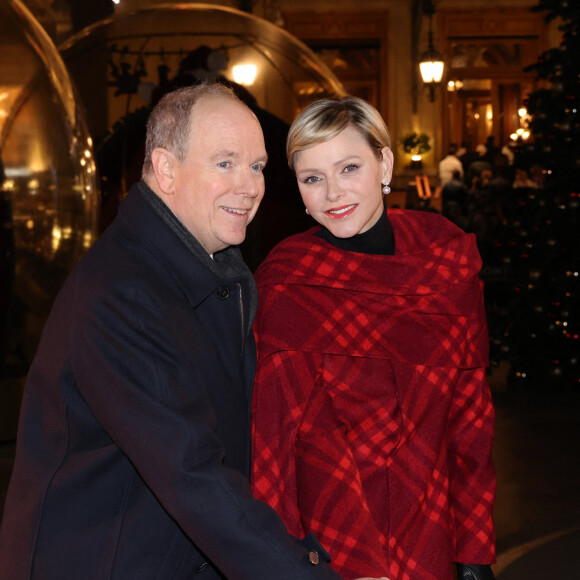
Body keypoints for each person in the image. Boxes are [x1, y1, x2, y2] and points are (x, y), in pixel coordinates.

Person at [0, 83, 382, 580]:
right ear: (165, 169)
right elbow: (193, 474)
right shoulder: (126, 292)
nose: (249, 186)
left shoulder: (211, 267)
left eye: (257, 166)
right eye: (224, 163)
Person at [251, 96, 497, 580]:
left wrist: (475, 550)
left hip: (431, 527)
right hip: (329, 542)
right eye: (313, 178)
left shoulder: (446, 261)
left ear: (384, 161)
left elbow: (470, 420)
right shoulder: (287, 281)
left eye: (349, 168)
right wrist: (361, 563)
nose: (333, 194)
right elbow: (295, 439)